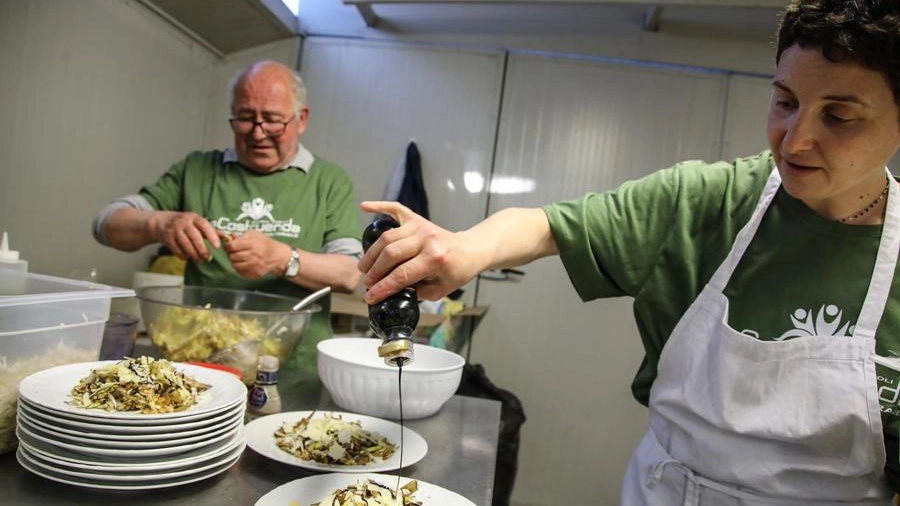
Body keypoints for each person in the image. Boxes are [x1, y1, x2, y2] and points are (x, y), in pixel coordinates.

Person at [359, 0, 900, 503]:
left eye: (839, 116)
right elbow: (547, 226)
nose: (794, 139)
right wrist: (463, 249)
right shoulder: (711, 200)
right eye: (785, 101)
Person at [93, 60, 362, 374]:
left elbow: (349, 274)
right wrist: (160, 224)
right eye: (246, 118)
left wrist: (282, 258)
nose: (258, 133)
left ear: (301, 119)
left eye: (273, 121)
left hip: (289, 371)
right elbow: (106, 224)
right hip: (198, 365)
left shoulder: (328, 181)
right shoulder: (198, 170)